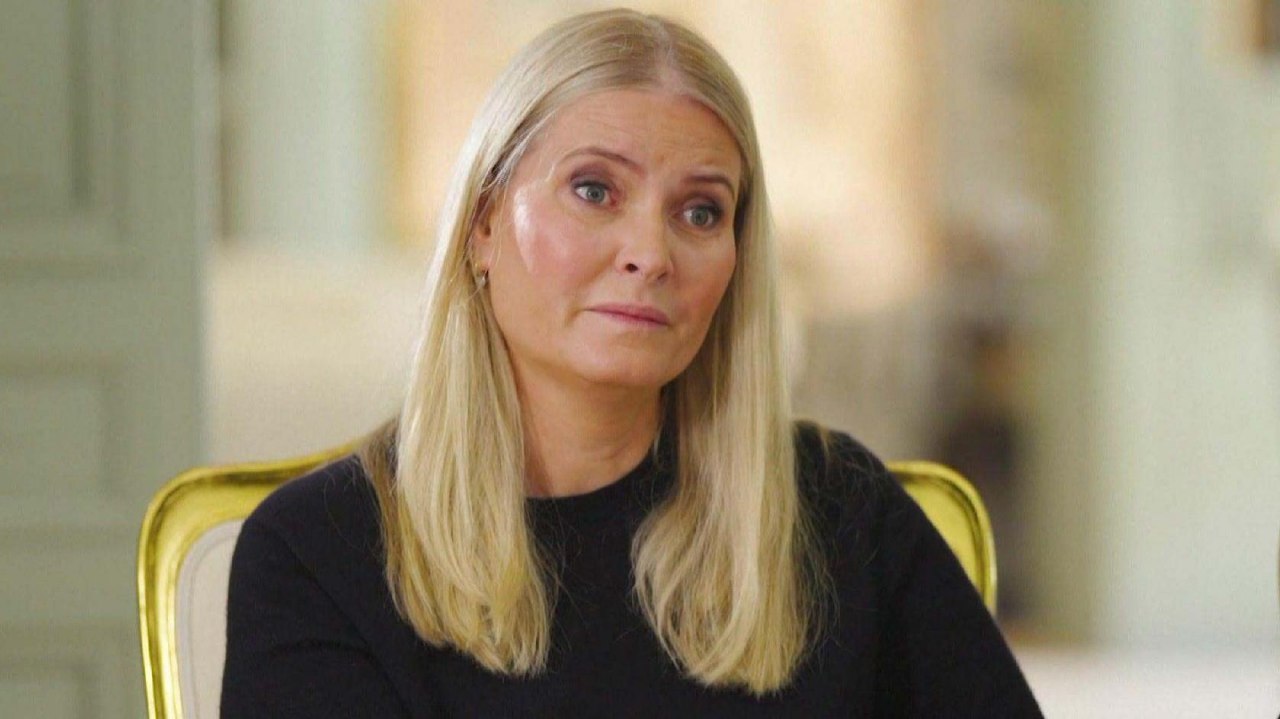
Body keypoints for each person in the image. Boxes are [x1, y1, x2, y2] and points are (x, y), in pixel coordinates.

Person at [220, 8, 1042, 717]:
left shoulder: (838, 513)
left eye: (700, 211)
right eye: (594, 190)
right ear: (482, 224)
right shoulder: (321, 554)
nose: (651, 252)